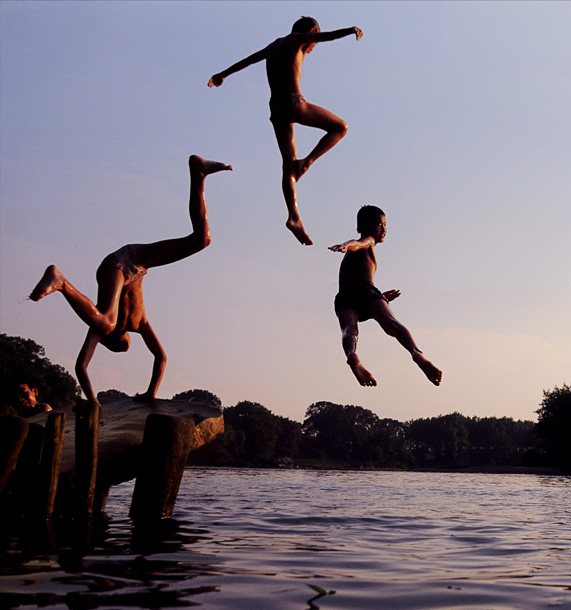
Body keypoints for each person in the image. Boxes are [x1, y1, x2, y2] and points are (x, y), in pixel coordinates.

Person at [29, 155, 232, 405]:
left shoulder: (106, 328)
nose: (129, 344)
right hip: (138, 263)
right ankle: (198, 174)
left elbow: (83, 366)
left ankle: (61, 282)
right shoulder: (140, 323)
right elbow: (161, 357)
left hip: (121, 263)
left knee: (105, 321)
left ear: (118, 340)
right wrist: (150, 394)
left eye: (124, 345)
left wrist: (94, 400)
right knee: (202, 239)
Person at [208, 16, 363, 246]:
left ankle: (294, 216)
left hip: (276, 108)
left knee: (287, 164)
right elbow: (327, 35)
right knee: (341, 127)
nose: (311, 50)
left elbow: (248, 60)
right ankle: (308, 162)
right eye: (313, 45)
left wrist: (223, 74)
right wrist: (351, 30)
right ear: (310, 33)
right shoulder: (299, 38)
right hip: (293, 102)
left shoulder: (274, 46)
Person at [329, 206, 442, 387]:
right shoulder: (368, 241)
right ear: (364, 227)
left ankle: (352, 357)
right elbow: (357, 243)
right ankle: (416, 353)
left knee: (349, 330)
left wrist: (382, 297)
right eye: (379, 225)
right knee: (393, 325)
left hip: (345, 297)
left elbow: (355, 276)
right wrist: (345, 246)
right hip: (366, 292)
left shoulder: (360, 252)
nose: (384, 230)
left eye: (385, 225)